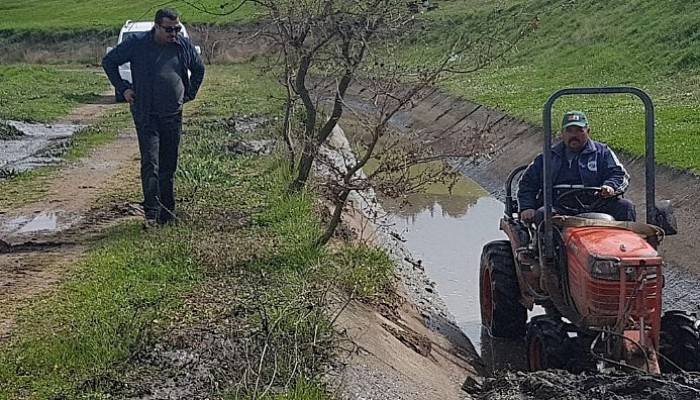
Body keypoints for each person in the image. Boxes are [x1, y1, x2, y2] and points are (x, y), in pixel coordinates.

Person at [102, 8, 205, 227]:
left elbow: (198, 69)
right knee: (151, 162)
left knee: (169, 164)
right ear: (157, 27)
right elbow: (109, 62)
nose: (173, 33)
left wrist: (189, 94)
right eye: (169, 29)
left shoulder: (182, 45)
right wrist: (123, 89)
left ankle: (167, 213)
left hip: (173, 114)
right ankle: (152, 212)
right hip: (146, 113)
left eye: (177, 29)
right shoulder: (137, 44)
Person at [518, 111, 636, 224]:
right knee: (543, 214)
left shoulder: (602, 152)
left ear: (588, 131)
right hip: (559, 207)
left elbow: (620, 175)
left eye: (579, 131)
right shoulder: (548, 157)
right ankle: (549, 244)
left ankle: (626, 244)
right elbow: (527, 183)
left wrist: (610, 186)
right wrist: (527, 207)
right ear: (562, 133)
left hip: (597, 204)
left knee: (626, 206)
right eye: (569, 131)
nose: (574, 135)